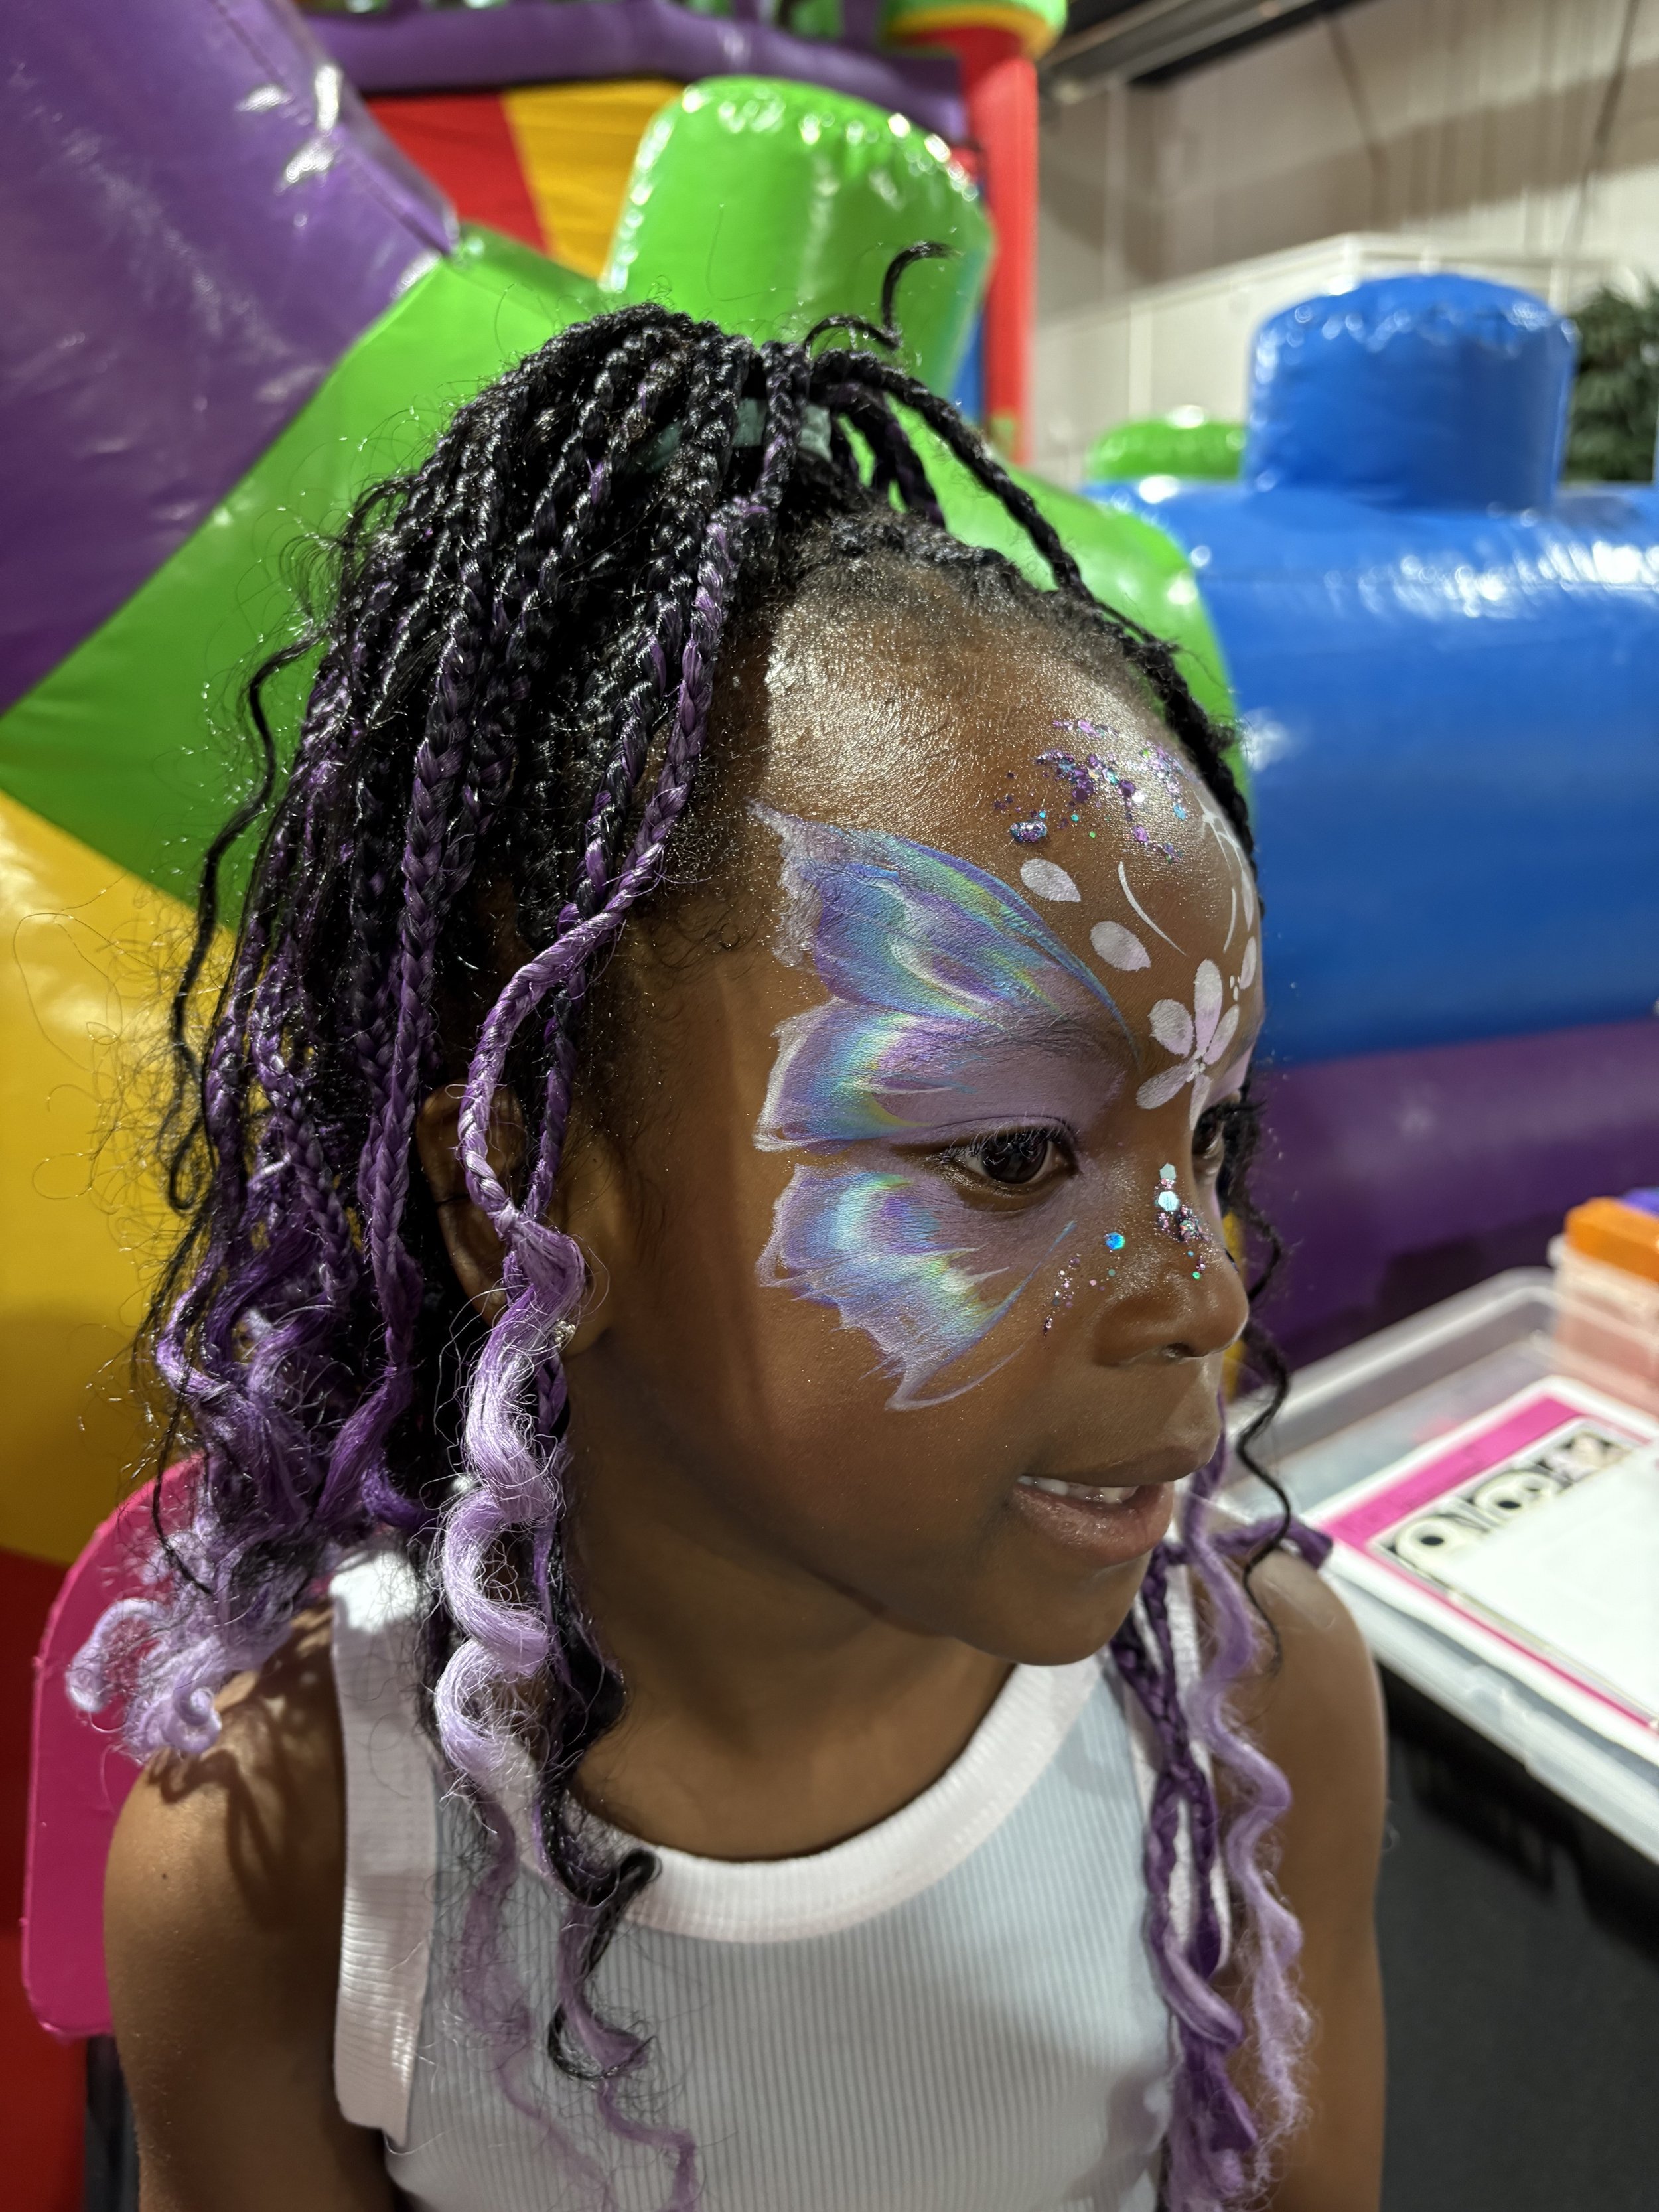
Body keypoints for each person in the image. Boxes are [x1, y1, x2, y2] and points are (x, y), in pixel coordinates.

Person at [86, 293, 1386, 2212]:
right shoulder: (295, 1846)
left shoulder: (1246, 1694)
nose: (1203, 1288)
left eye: (1205, 1133)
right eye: (1015, 1151)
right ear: (527, 1184)